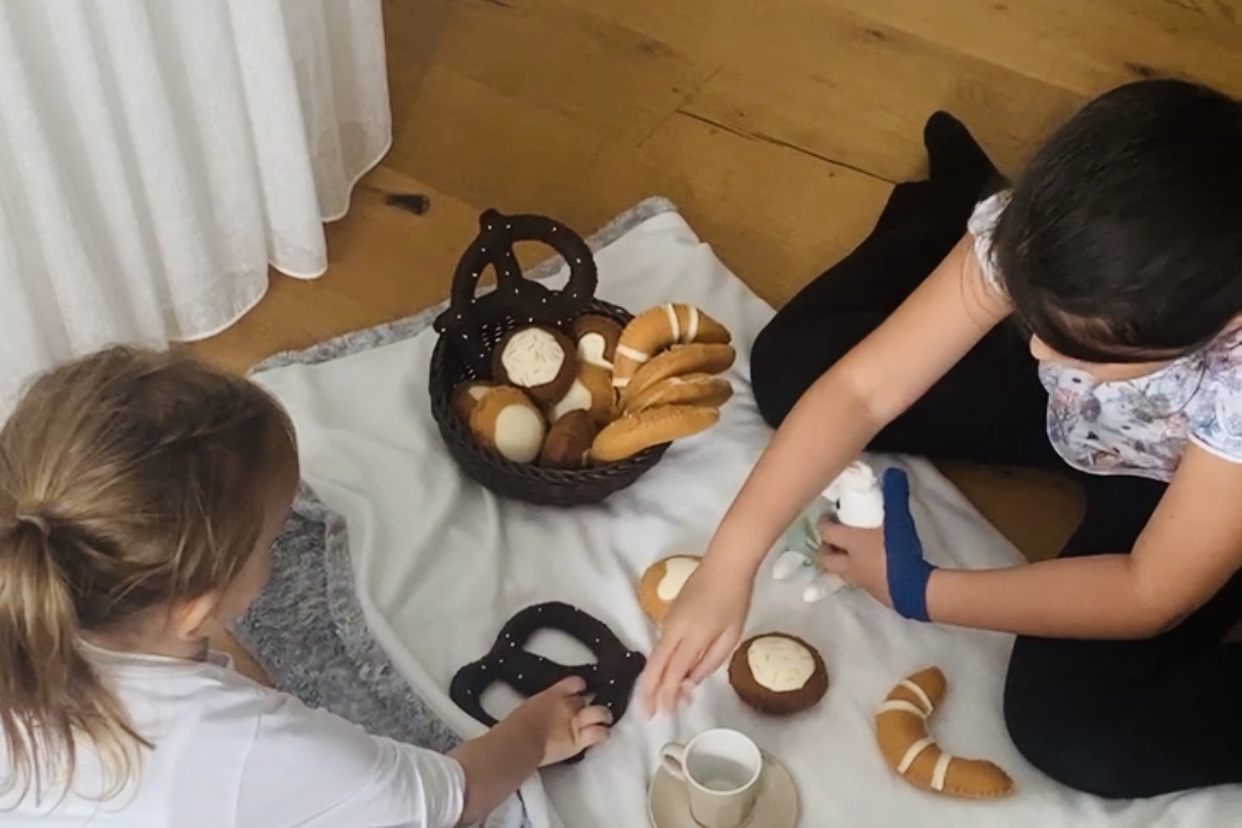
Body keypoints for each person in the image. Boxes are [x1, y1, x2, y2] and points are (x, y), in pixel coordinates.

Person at [641, 78, 1242, 799]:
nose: (1039, 352)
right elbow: (861, 392)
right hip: (1088, 415)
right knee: (794, 371)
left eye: (1081, 346)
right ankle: (945, 207)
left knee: (1079, 735)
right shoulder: (1042, 237)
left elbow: (1149, 591)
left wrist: (921, 590)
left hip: (1193, 485)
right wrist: (727, 563)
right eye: (1031, 318)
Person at [0, 346, 611, 826]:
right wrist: (532, 735)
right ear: (197, 609)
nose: (277, 546)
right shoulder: (252, 747)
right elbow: (450, 798)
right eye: (271, 539)